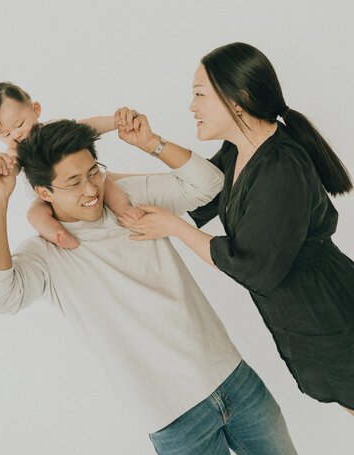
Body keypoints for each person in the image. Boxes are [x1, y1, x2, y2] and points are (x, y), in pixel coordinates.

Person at [0, 114, 339, 455]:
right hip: (174, 422)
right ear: (44, 192)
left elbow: (210, 185)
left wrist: (151, 143)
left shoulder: (129, 199)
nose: (90, 189)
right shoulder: (47, 253)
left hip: (234, 379)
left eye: (93, 173)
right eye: (73, 183)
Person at [119, 42, 354, 416]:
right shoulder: (238, 150)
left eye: (199, 94)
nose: (191, 107)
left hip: (330, 313)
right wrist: (149, 145)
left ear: (239, 98)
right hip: (305, 318)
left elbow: (252, 266)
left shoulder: (280, 165)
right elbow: (199, 193)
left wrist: (176, 228)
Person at [0, 82, 143, 249]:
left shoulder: (53, 130)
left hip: (78, 182)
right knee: (34, 213)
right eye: (6, 134)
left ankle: (124, 209)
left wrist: (115, 122)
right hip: (47, 197)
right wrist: (7, 167)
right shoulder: (15, 151)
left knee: (105, 182)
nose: (16, 134)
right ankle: (59, 235)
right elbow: (14, 166)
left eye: (19, 125)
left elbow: (87, 127)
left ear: (35, 109)